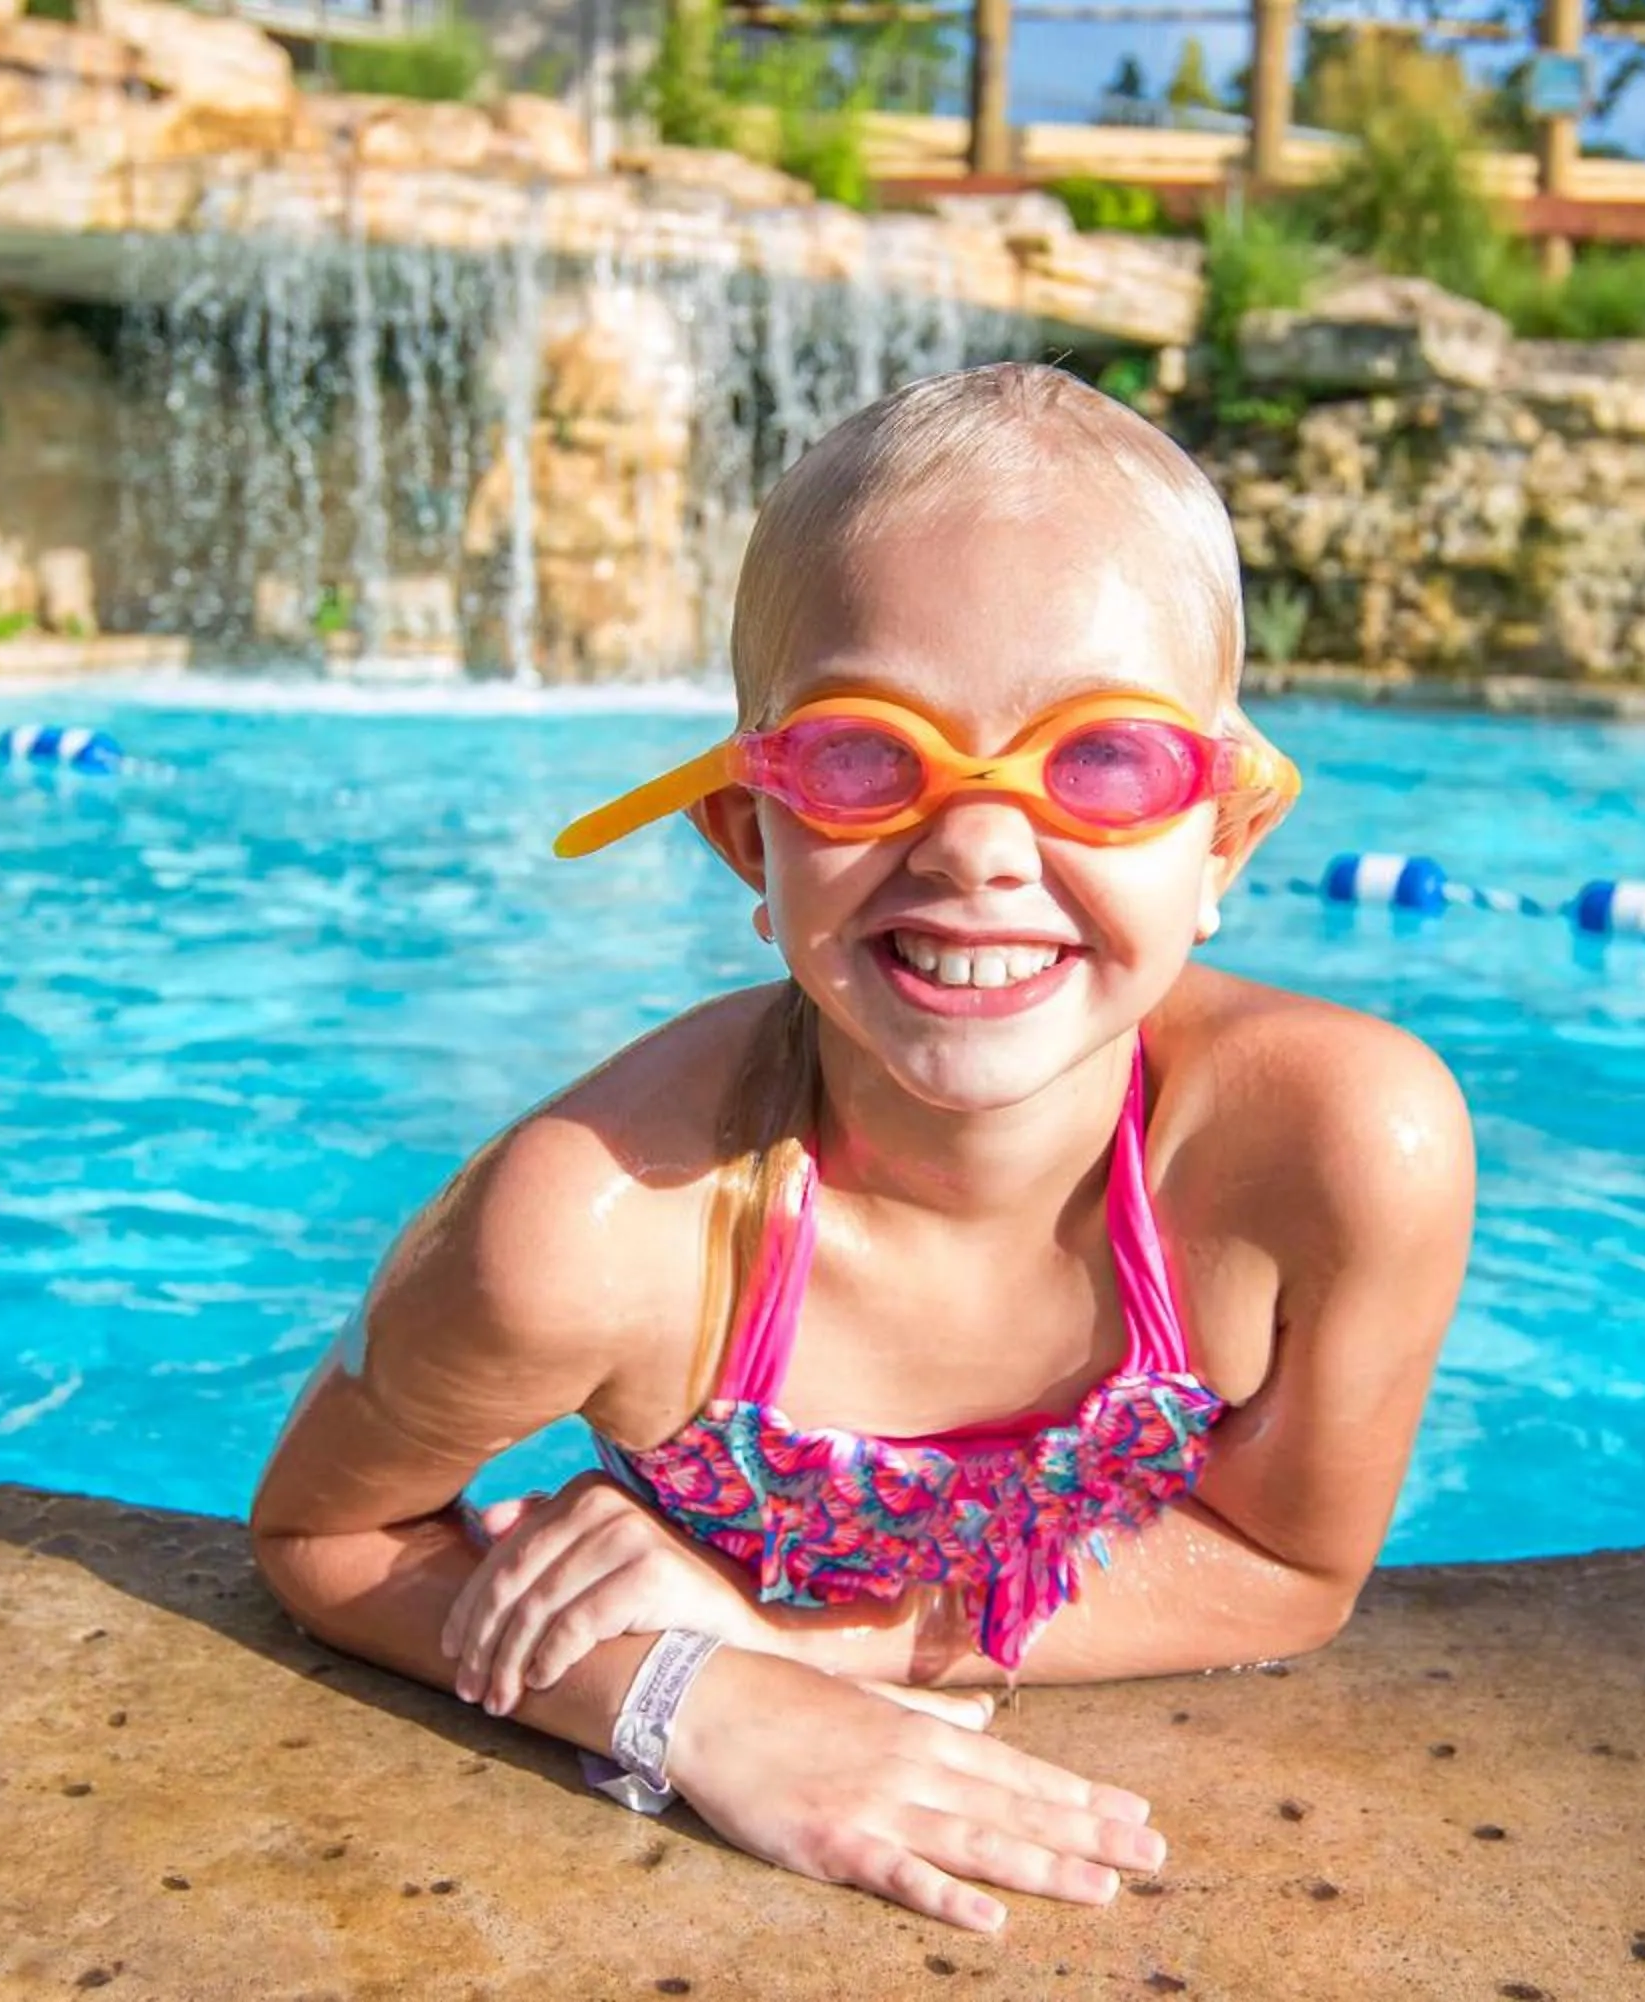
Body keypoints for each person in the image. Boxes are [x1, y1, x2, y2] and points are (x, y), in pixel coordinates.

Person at [250, 361, 1474, 1934]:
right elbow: (317, 1526)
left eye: (1101, 760)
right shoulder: (600, 1226)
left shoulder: (1335, 1154)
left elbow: (1291, 1572)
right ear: (749, 836)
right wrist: (679, 1703)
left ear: (1224, 833)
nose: (975, 844)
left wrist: (783, 1645)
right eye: (863, 755)